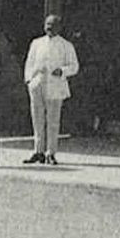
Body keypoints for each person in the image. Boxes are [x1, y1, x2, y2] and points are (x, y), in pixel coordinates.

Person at [23, 13, 80, 165]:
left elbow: (74, 66)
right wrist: (30, 80)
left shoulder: (66, 45)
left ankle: (50, 152)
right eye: (47, 24)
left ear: (59, 27)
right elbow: (29, 63)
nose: (49, 27)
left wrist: (62, 71)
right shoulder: (36, 43)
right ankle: (38, 151)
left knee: (53, 120)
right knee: (37, 119)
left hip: (55, 85)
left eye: (53, 25)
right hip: (37, 84)